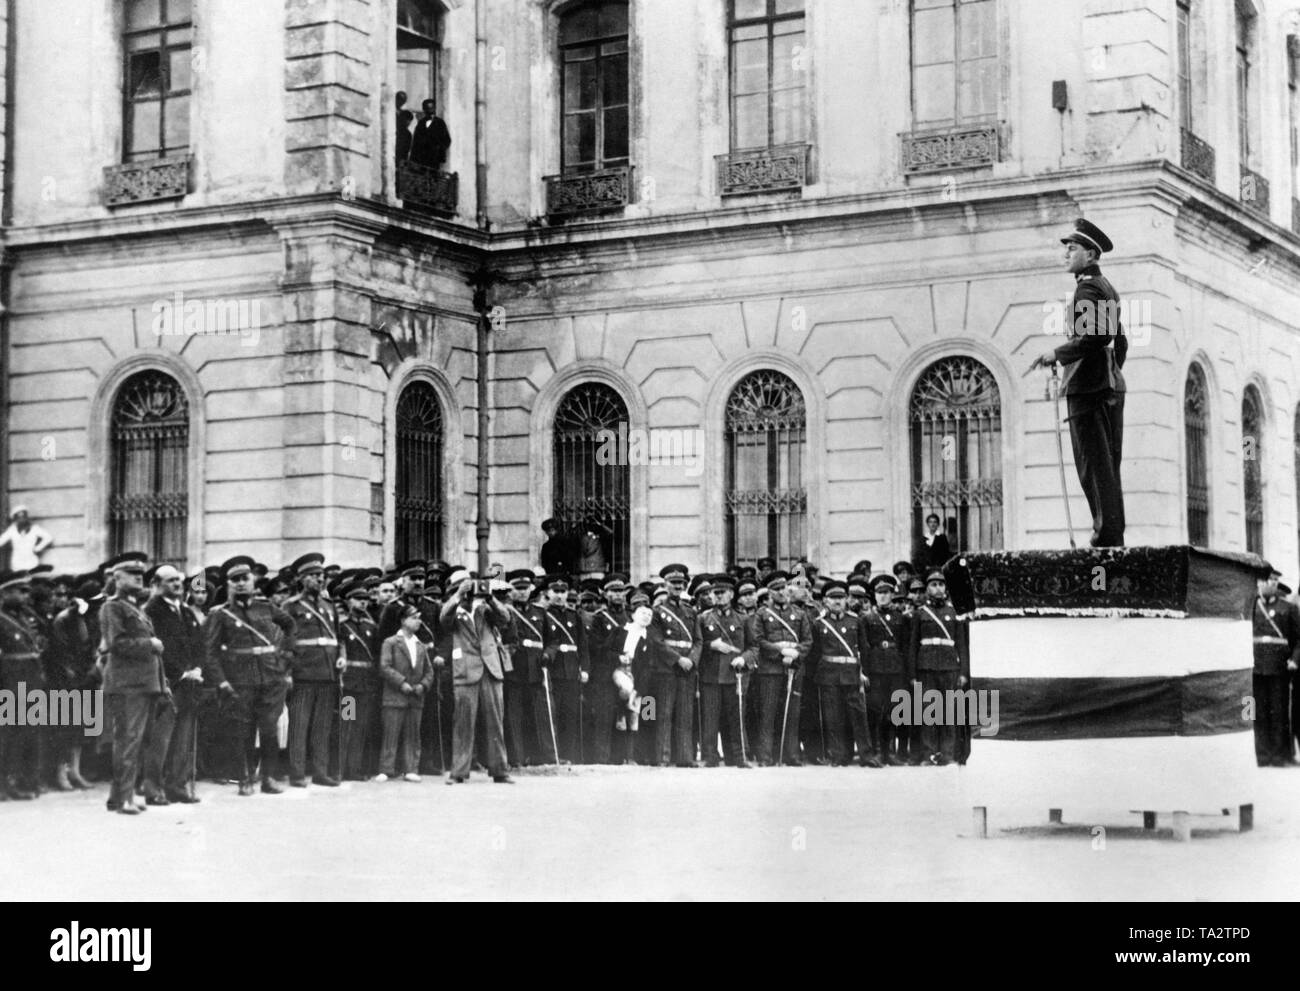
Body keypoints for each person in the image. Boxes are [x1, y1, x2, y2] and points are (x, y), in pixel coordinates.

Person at [1030, 217, 1128, 547]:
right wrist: (1110, 373)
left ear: (1090, 254)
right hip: (1108, 386)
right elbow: (1119, 341)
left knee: (1094, 467)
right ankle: (1112, 536)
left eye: (1072, 249)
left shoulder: (1087, 288)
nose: (1066, 254)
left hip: (1089, 390)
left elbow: (1095, 337)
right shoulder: (1107, 287)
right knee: (1108, 465)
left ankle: (1105, 538)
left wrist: (1056, 354)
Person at [203, 556, 296, 796]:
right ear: (229, 585)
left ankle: (269, 778)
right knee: (242, 731)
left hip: (271, 677)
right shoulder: (220, 614)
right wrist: (222, 681)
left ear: (253, 580)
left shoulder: (265, 607)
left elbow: (290, 625)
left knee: (269, 730)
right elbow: (210, 653)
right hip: (240, 680)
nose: (241, 584)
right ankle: (244, 778)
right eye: (235, 580)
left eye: (245, 578)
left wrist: (286, 656)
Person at [100, 553, 168, 815]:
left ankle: (119, 797)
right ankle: (124, 797)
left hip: (143, 683)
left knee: (134, 741)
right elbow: (116, 645)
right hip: (128, 684)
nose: (139, 576)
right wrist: (149, 644)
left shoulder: (134, 607)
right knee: (128, 741)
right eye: (131, 573)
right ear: (117, 578)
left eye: (141, 573)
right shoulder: (113, 607)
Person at [440, 572, 513, 784]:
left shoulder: (486, 609)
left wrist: (490, 597)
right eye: (465, 589)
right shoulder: (454, 611)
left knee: (495, 722)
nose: (471, 594)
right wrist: (458, 597)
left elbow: (505, 619)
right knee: (463, 723)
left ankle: (500, 770)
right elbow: (443, 619)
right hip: (466, 671)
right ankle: (458, 772)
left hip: (490, 670)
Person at [141, 565, 206, 804]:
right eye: (170, 581)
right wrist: (181, 673)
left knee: (184, 739)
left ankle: (178, 786)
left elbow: (200, 644)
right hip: (165, 683)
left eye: (179, 581)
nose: (177, 585)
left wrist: (198, 668)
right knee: (160, 740)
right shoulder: (150, 611)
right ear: (157, 584)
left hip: (190, 683)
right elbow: (157, 648)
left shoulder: (187, 612)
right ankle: (153, 789)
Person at [283, 553, 342, 788]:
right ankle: (296, 773)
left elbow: (339, 638)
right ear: (302, 579)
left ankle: (321, 772)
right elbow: (284, 641)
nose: (320, 580)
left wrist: (342, 658)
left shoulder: (329, 606)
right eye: (314, 576)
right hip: (303, 674)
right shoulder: (291, 606)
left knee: (322, 727)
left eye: (322, 576)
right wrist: (287, 672)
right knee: (299, 726)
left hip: (328, 674)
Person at [908, 570, 970, 766]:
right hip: (926, 668)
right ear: (927, 589)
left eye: (941, 584)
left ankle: (947, 754)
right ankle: (928, 754)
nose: (938, 588)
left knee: (949, 713)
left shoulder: (954, 614)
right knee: (928, 713)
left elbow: (962, 645)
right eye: (933, 585)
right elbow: (912, 646)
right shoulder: (920, 614)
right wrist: (912, 674)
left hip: (950, 667)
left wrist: (963, 673)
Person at [809, 582, 872, 767]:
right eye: (833, 598)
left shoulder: (856, 621)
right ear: (825, 601)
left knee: (859, 716)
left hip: (852, 675)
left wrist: (864, 672)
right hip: (828, 676)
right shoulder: (819, 624)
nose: (837, 602)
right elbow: (815, 654)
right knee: (833, 717)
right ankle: (838, 755)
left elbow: (864, 649)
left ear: (846, 600)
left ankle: (866, 755)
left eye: (841, 598)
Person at [753, 571, 812, 766]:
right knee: (768, 713)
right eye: (776, 589)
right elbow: (759, 640)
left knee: (792, 713)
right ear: (769, 592)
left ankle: (791, 755)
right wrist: (781, 653)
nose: (781, 592)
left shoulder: (800, 613)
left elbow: (807, 640)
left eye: (783, 588)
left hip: (794, 668)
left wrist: (796, 654)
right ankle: (766, 756)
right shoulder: (761, 614)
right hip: (770, 670)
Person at [697, 576, 755, 768]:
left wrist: (743, 659)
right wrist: (710, 645)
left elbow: (754, 647)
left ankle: (739, 757)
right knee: (710, 719)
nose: (718, 597)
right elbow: (697, 644)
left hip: (734, 675)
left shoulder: (743, 619)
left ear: (731, 594)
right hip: (711, 676)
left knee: (736, 717)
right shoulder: (703, 618)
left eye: (722, 593)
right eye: (715, 593)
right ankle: (710, 757)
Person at [374, 605, 436, 782]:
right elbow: (384, 667)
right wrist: (402, 683)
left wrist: (423, 686)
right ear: (403, 620)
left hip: (415, 696)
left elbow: (429, 671)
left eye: (419, 617)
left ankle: (411, 769)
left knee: (413, 734)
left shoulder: (420, 645)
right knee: (390, 733)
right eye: (414, 617)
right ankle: (386, 768)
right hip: (395, 695)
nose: (419, 620)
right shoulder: (391, 642)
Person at [502, 570, 557, 766]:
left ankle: (545, 757)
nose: (522, 593)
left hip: (536, 669)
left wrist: (548, 655)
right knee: (514, 716)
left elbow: (553, 642)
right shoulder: (505, 611)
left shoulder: (540, 612)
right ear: (511, 590)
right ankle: (516, 758)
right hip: (514, 669)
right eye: (518, 589)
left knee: (540, 715)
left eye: (525, 588)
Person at [0, 570, 46, 799]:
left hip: (30, 681)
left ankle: (21, 781)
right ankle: (4, 784)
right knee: (8, 735)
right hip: (9, 683)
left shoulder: (23, 617)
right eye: (20, 591)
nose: (25, 596)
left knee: (26, 733)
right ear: (5, 592)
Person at [649, 564, 701, 767]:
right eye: (673, 583)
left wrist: (692, 659)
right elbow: (657, 641)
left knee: (685, 714)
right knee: (663, 713)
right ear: (665, 585)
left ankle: (685, 757)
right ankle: (662, 756)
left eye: (681, 583)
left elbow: (698, 640)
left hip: (687, 668)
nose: (678, 586)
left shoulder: (691, 611)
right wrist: (678, 659)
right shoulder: (657, 612)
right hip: (667, 668)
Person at [1251, 565, 1300, 767]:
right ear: (1259, 583)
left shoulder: (1288, 608)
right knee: (1253, 711)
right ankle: (1260, 754)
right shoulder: (1250, 607)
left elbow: (1299, 638)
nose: (1272, 583)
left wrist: (1295, 660)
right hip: (1253, 670)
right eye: (1268, 580)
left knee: (1279, 711)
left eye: (1274, 581)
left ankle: (1280, 755)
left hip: (1280, 669)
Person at [860, 575, 911, 765]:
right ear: (874, 595)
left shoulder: (901, 618)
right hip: (875, 670)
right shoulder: (867, 619)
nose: (883, 596)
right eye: (879, 593)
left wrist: (906, 671)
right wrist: (864, 671)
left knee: (895, 710)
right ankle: (878, 751)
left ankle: (893, 752)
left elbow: (905, 646)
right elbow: (864, 648)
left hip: (896, 669)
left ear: (892, 594)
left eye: (886, 593)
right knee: (875, 710)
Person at [542, 575, 588, 763]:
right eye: (556, 592)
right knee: (555, 714)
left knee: (571, 715)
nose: (560, 596)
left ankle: (570, 755)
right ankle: (555, 755)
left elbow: (582, 645)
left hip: (571, 671)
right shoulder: (544, 614)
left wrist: (584, 668)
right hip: (553, 671)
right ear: (548, 593)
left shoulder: (573, 615)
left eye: (563, 592)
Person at [338, 580, 381, 781]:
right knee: (347, 725)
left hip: (366, 685)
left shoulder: (371, 626)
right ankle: (342, 769)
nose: (363, 603)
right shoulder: (342, 626)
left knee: (361, 726)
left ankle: (354, 769)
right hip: (349, 685)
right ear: (348, 602)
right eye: (358, 599)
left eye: (365, 600)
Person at [409, 98, 451, 170]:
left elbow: (447, 140)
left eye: (431, 108)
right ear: (424, 109)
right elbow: (416, 141)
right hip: (421, 159)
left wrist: (438, 151)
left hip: (434, 159)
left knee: (434, 178)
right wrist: (413, 159)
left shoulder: (440, 123)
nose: (430, 111)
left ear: (434, 109)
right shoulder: (421, 123)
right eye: (427, 109)